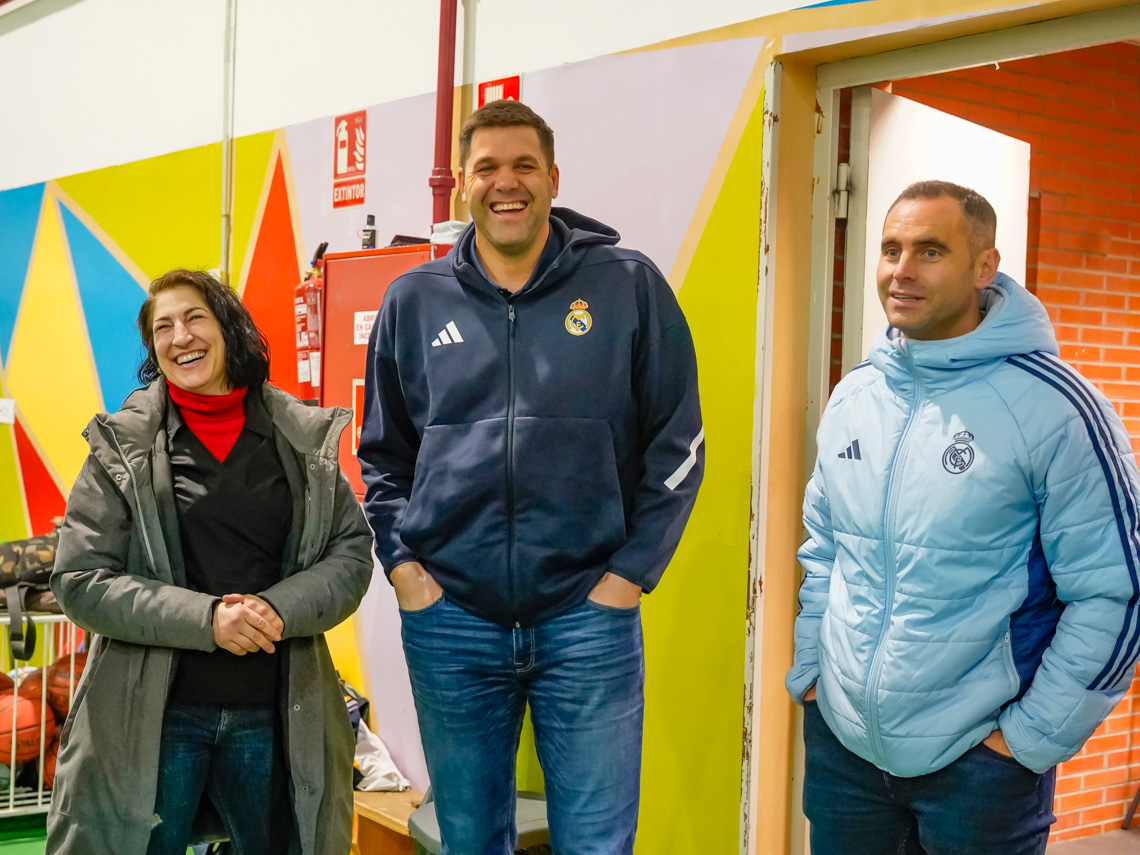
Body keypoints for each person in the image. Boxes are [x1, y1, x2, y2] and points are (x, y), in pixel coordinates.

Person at [357, 99, 704, 854]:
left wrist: (628, 577)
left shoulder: (627, 285)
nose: (506, 183)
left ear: (553, 178)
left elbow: (678, 445)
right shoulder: (413, 301)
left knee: (597, 841)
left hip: (588, 617)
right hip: (452, 621)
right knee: (469, 839)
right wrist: (408, 573)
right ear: (463, 185)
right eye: (487, 167)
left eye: (524, 165)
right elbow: (382, 457)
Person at [787, 180, 1140, 854]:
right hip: (844, 751)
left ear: (984, 267)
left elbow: (1114, 593)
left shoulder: (1056, 407)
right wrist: (812, 674)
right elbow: (825, 548)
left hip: (980, 767)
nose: (901, 270)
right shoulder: (856, 395)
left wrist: (1028, 738)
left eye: (930, 251)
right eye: (891, 249)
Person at [47, 269, 373, 855]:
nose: (181, 337)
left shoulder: (300, 439)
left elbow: (349, 553)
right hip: (155, 719)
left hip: (276, 713)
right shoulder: (122, 449)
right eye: (163, 327)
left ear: (228, 328)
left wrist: (278, 609)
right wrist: (208, 620)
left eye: (195, 317)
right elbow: (80, 578)